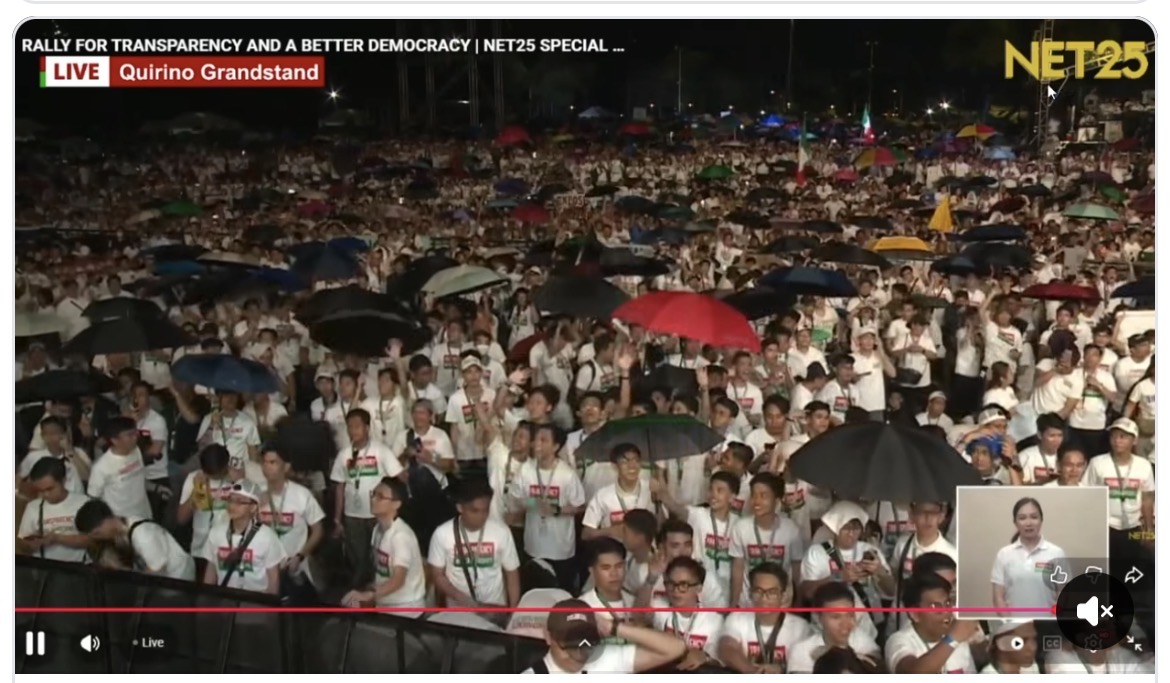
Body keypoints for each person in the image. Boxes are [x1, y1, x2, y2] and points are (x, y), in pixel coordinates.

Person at [507, 423, 586, 593]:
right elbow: (515, 500)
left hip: (561, 549)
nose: (537, 444)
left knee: (562, 594)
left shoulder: (567, 474)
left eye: (544, 440)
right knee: (534, 594)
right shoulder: (525, 470)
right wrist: (533, 504)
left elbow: (580, 506)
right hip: (533, 546)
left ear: (556, 446)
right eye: (536, 440)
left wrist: (557, 510)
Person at [799, 501, 893, 642]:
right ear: (836, 527)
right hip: (826, 629)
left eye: (856, 528)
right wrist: (837, 577)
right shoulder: (817, 552)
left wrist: (879, 571)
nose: (851, 534)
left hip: (868, 629)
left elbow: (891, 591)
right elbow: (806, 592)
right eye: (846, 528)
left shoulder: (870, 550)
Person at [330, 408, 406, 578]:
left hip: (377, 515)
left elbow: (398, 478)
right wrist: (337, 518)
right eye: (349, 427)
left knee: (379, 556)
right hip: (352, 515)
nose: (353, 431)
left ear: (367, 427)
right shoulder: (343, 454)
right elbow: (340, 487)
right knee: (356, 557)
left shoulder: (381, 450)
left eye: (357, 426)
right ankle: (362, 590)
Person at [521, 598, 686, 673]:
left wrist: (614, 628)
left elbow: (675, 648)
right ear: (548, 637)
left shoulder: (605, 660)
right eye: (568, 644)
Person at [428, 477, 521, 608]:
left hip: (494, 607)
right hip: (458, 610)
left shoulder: (502, 531)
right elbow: (437, 575)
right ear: (460, 507)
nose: (481, 516)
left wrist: (514, 610)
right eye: (475, 511)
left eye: (486, 510)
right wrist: (458, 596)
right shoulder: (442, 533)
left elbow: (512, 574)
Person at [342, 476, 426, 609]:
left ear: (396, 504)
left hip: (405, 608)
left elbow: (398, 579)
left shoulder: (400, 536)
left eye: (380, 496)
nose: (373, 499)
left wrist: (369, 595)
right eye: (373, 494)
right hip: (384, 603)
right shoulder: (377, 530)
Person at [718, 562, 811, 673]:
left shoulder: (801, 627)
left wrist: (781, 671)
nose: (764, 598)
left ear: (783, 596)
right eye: (758, 591)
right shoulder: (736, 619)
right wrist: (753, 672)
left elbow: (804, 668)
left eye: (772, 592)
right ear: (750, 593)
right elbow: (727, 649)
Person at [258, 446, 325, 597]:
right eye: (264, 462)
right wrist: (255, 510)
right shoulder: (256, 494)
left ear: (286, 466)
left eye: (273, 462)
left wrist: (300, 556)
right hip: (264, 567)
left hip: (294, 565)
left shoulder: (301, 494)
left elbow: (318, 530)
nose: (267, 467)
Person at [728, 473, 804, 607]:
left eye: (764, 496)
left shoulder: (791, 529)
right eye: (754, 495)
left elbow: (796, 569)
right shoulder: (741, 527)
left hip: (781, 604)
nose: (756, 501)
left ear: (777, 500)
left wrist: (798, 602)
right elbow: (738, 568)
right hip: (748, 603)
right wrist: (734, 603)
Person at [75, 498, 195, 581]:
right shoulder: (121, 527)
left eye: (97, 533)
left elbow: (157, 570)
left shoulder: (143, 536)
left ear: (105, 522)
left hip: (178, 577)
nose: (97, 538)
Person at [200, 480, 286, 594]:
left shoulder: (267, 537)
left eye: (240, 502)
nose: (232, 505)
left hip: (256, 602)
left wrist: (270, 608)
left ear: (253, 507)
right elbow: (210, 573)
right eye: (230, 500)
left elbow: (273, 580)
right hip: (225, 599)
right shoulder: (216, 533)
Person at [885, 572, 979, 674]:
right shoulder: (899, 641)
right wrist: (953, 639)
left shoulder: (957, 636)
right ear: (915, 614)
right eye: (935, 606)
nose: (946, 611)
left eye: (947, 604)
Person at [990, 497, 1068, 615]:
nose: (1029, 523)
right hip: (1015, 627)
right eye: (1022, 518)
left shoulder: (1056, 553)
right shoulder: (1004, 554)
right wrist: (1009, 622)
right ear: (1015, 522)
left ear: (1041, 520)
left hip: (1048, 627)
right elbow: (998, 597)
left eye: (1034, 517)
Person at [788, 581, 881, 673]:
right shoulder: (802, 651)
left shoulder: (863, 642)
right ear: (819, 618)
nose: (845, 624)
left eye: (850, 615)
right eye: (836, 617)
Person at [648, 556, 723, 669]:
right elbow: (638, 616)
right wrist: (650, 580)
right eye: (671, 584)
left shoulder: (714, 620)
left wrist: (705, 657)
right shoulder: (659, 606)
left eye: (683, 585)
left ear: (698, 588)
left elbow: (719, 663)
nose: (675, 590)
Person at [17, 457, 90, 563]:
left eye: (50, 489)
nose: (45, 495)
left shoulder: (84, 503)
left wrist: (57, 539)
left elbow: (93, 541)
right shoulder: (33, 507)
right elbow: (22, 541)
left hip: (80, 569)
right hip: (46, 570)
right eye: (40, 491)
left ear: (63, 481)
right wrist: (29, 545)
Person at [582, 443, 655, 540]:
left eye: (636, 460)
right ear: (614, 466)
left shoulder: (652, 490)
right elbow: (586, 534)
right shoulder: (603, 495)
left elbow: (662, 525)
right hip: (615, 551)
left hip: (646, 553)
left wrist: (662, 496)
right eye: (625, 461)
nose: (632, 466)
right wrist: (610, 531)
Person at [176, 444, 238, 558]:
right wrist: (196, 492)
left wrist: (238, 482)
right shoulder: (193, 478)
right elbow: (181, 519)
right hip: (200, 549)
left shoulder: (236, 479)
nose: (213, 477)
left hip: (228, 548)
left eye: (216, 475)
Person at [86, 416, 152, 520]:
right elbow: (93, 498)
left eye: (135, 433)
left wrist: (156, 488)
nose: (135, 438)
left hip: (144, 514)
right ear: (114, 440)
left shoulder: (136, 451)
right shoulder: (101, 467)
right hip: (121, 521)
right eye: (129, 435)